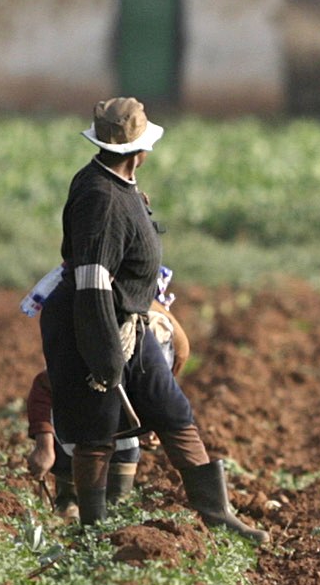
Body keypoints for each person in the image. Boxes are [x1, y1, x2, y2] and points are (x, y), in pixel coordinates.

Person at [39, 97, 264, 540]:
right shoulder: (101, 197)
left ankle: (216, 514)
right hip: (94, 322)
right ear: (139, 149)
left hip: (129, 321)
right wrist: (103, 354)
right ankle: (93, 528)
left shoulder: (121, 186)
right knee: (97, 426)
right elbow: (92, 280)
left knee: (172, 408)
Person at [26, 270, 191, 517]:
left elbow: (157, 397)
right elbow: (43, 388)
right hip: (74, 436)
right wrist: (44, 446)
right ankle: (72, 510)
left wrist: (151, 427)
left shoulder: (163, 348)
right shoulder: (88, 349)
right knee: (71, 499)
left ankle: (100, 530)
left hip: (123, 442)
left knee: (117, 504)